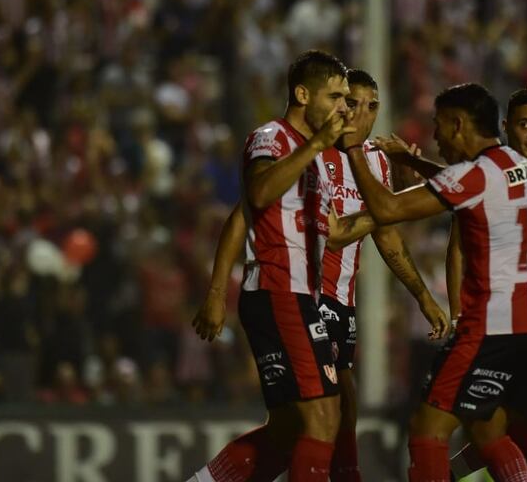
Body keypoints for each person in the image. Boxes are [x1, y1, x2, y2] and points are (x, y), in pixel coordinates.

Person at [192, 68, 449, 482]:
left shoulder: (374, 163)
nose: (360, 113)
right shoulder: (308, 150)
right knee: (335, 406)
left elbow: (383, 236)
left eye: (372, 106)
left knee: (296, 427)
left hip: (334, 299)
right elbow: (246, 214)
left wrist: (421, 294)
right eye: (350, 101)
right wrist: (217, 292)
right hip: (306, 296)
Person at [335, 82, 527, 482]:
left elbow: (388, 208)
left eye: (439, 125)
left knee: (427, 431)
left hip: (495, 324)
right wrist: (420, 165)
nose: (435, 136)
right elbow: (470, 186)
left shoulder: (477, 177)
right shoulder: (521, 165)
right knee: (489, 430)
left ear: (459, 124)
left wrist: (354, 148)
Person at [186, 50, 354, 482]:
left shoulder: (313, 156)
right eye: (335, 95)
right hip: (279, 289)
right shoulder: (272, 137)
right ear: (302, 93)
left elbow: (330, 230)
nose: (343, 106)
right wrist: (217, 293)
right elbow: (256, 196)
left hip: (300, 297)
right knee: (322, 419)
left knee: (288, 431)